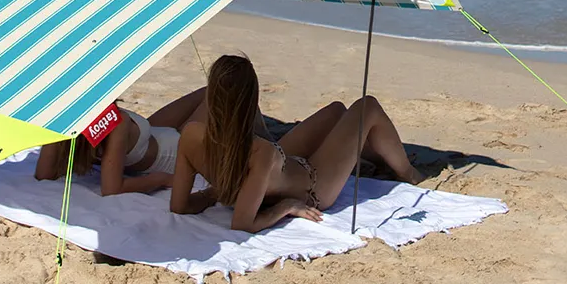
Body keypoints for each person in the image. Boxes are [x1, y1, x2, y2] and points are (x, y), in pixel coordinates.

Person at [170, 54, 424, 233]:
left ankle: (373, 156)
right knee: (368, 106)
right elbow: (243, 225)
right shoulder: (261, 151)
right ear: (251, 100)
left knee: (336, 111)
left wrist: (212, 194)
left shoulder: (191, 135)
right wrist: (286, 207)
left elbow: (179, 207)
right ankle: (408, 173)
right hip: (313, 186)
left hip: (272, 174)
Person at [34, 87, 209, 196]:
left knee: (207, 91)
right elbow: (112, 189)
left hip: (153, 134)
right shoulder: (117, 123)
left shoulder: (67, 120)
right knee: (212, 92)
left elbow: (43, 173)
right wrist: (161, 180)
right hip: (174, 150)